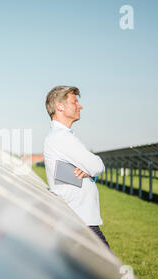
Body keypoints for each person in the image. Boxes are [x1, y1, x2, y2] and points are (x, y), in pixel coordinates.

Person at [43, 86, 110, 248]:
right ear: (60, 106)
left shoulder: (60, 137)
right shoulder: (62, 138)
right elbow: (97, 165)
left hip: (77, 220)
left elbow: (90, 170)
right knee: (107, 271)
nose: (80, 106)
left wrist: (89, 172)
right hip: (79, 222)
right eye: (74, 102)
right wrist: (91, 170)